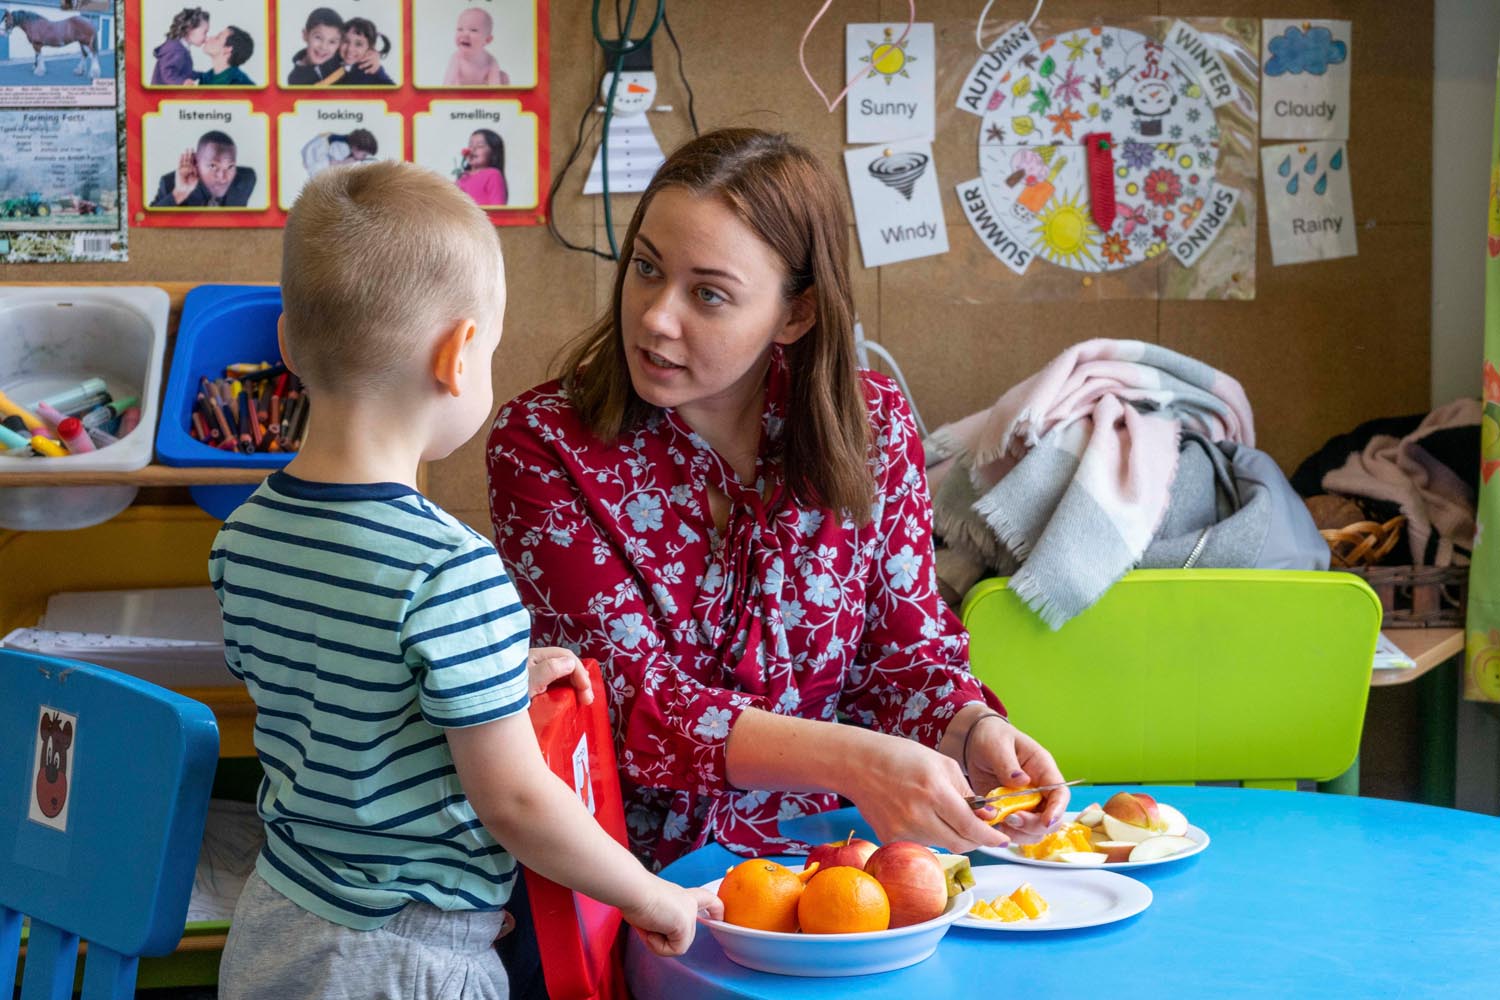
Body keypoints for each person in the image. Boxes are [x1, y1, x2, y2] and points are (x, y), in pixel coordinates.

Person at [487, 128, 1069, 875]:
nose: (657, 317)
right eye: (645, 268)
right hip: (631, 880)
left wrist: (968, 729)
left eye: (708, 294)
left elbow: (905, 655)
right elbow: (630, 704)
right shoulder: (543, 444)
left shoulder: (873, 426)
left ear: (794, 316)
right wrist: (857, 762)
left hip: (842, 867)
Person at [212, 160, 719, 1000]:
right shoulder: (452, 570)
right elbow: (517, 803)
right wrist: (646, 891)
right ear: (458, 355)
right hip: (405, 958)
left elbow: (346, 692)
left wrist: (494, 682)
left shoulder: (244, 537)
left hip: (276, 922)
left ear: (288, 344)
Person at [150, 131, 256, 207]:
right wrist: (179, 194)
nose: (222, 178)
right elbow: (148, 225)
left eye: (230, 166)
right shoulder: (169, 184)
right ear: (195, 162)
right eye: (213, 166)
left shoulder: (246, 180)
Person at [444, 7, 509, 86]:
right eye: (460, 29)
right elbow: (448, 83)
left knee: (503, 77)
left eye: (473, 30)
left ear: (487, 40)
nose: (464, 34)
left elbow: (494, 85)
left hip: (481, 94)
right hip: (461, 93)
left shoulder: (490, 61)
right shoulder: (457, 58)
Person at [150, 6, 208, 85]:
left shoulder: (181, 48)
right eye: (204, 32)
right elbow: (168, 74)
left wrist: (200, 75)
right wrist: (182, 82)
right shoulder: (176, 50)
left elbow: (183, 72)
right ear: (189, 29)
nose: (206, 37)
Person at [332, 16, 393, 85]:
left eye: (358, 44)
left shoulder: (371, 71)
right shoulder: (332, 60)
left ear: (369, 48)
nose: (350, 49)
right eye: (346, 41)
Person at [456, 129, 507, 206]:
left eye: (480, 146)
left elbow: (498, 208)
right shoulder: (463, 176)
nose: (472, 149)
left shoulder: (493, 174)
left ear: (493, 153)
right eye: (470, 145)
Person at [300, 128, 378, 178]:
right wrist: (344, 162)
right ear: (355, 148)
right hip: (314, 153)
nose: (363, 158)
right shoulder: (343, 147)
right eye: (364, 154)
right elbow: (333, 163)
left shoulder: (349, 147)